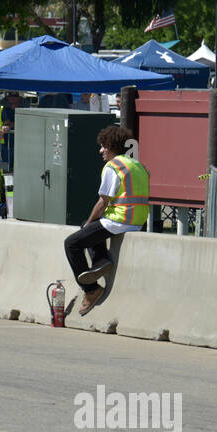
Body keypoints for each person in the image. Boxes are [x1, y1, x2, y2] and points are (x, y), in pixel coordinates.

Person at [64, 125, 150, 316]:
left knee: (72, 243)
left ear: (111, 146)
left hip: (120, 219)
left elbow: (103, 203)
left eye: (103, 146)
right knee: (90, 229)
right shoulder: (138, 165)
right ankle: (101, 261)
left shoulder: (113, 167)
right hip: (138, 220)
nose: (101, 151)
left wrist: (88, 221)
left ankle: (91, 290)